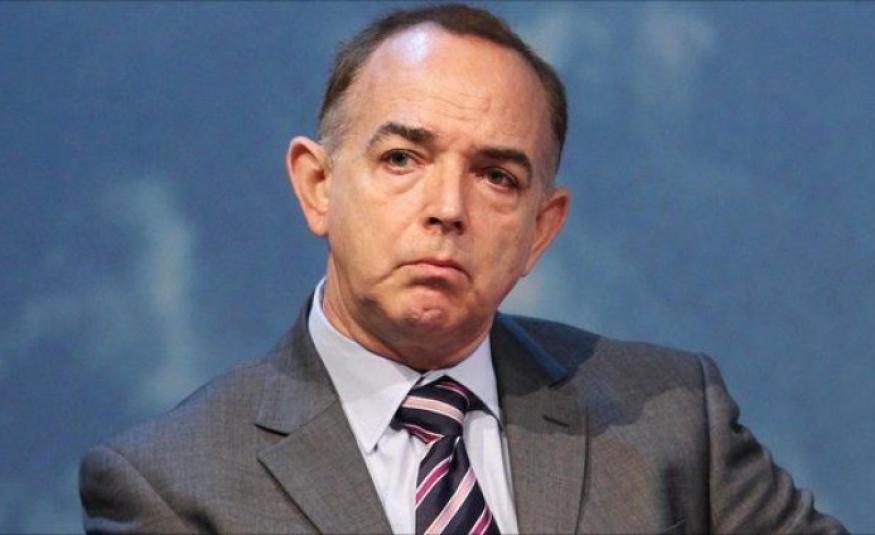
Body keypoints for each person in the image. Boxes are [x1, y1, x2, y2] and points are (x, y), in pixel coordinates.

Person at [79, 4, 846, 534]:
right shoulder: (171, 484)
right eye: (402, 158)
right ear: (317, 186)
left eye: (496, 177)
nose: (447, 208)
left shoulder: (672, 415)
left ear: (540, 230)